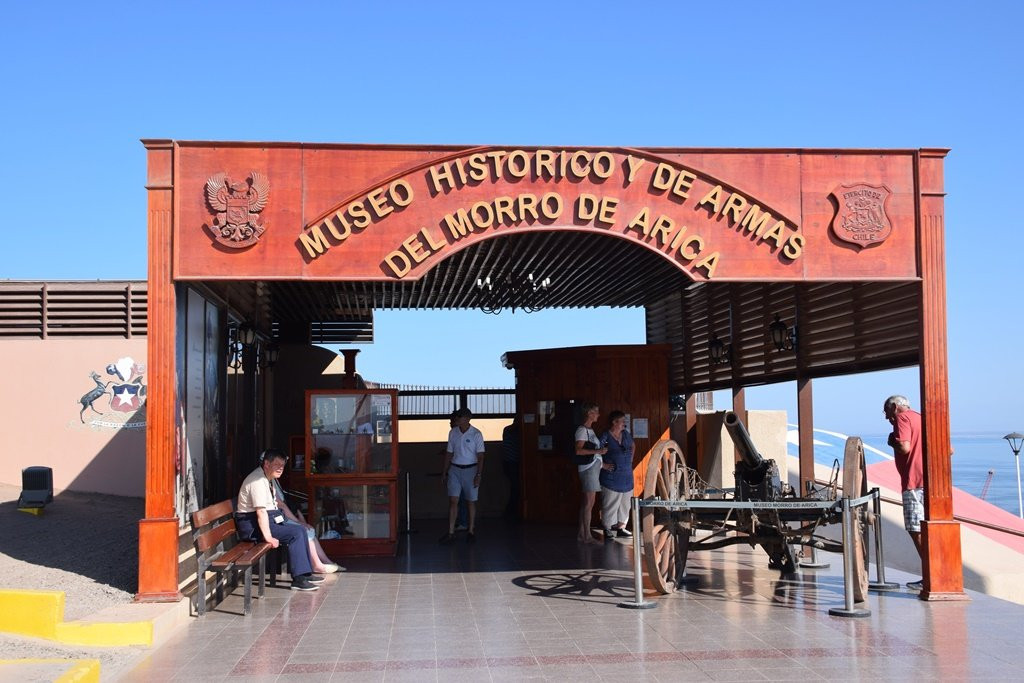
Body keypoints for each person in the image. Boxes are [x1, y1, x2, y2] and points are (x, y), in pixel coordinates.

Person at [235, 449, 323, 591]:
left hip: (266, 520)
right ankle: (299, 580)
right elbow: (261, 512)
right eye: (277, 464)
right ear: (267, 464)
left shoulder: (267, 478)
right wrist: (268, 537)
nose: (281, 468)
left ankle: (305, 575)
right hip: (252, 526)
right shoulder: (257, 480)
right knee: (296, 533)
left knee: (300, 530)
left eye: (282, 465)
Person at [884, 394, 925, 589]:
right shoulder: (923, 418)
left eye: (887, 412)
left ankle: (930, 576)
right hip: (931, 484)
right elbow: (949, 450)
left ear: (895, 407)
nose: (887, 418)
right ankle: (936, 575)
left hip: (914, 483)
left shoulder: (902, 418)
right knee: (930, 530)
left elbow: (904, 447)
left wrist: (892, 440)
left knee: (915, 529)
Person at [270, 477, 344, 574]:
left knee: (310, 529)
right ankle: (316, 565)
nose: (280, 468)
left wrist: (301, 521)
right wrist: (299, 522)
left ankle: (326, 561)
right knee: (304, 530)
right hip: (277, 518)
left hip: (282, 516)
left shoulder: (274, 480)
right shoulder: (267, 481)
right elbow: (280, 505)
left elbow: (287, 505)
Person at [440, 407, 485, 544]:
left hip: (471, 469)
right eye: (456, 417)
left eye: (459, 417)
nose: (456, 419)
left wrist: (478, 474)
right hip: (455, 469)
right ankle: (451, 532)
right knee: (453, 500)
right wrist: (444, 471)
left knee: (470, 501)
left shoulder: (476, 434)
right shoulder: (453, 432)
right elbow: (449, 453)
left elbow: (481, 456)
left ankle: (470, 531)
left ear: (467, 419)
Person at [575, 402, 608, 545]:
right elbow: (579, 450)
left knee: (587, 503)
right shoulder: (582, 430)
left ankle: (582, 534)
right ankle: (587, 536)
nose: (598, 415)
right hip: (588, 470)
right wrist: (598, 451)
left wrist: (602, 464)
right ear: (589, 413)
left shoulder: (590, 430)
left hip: (592, 468)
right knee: (589, 503)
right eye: (596, 412)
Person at [600, 410, 635, 540]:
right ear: (614, 422)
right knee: (610, 502)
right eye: (622, 422)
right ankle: (607, 528)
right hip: (611, 477)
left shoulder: (625, 434)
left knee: (625, 503)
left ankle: (621, 527)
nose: (624, 425)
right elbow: (596, 452)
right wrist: (603, 465)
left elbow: (632, 445)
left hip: (626, 476)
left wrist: (630, 459)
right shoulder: (605, 436)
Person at [501, 415, 521, 520]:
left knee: (515, 488)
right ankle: (511, 512)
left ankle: (511, 511)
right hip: (512, 463)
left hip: (508, 463)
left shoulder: (507, 429)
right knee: (516, 488)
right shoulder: (514, 432)